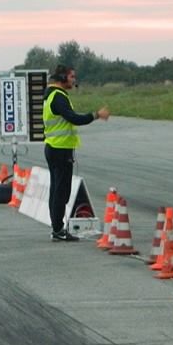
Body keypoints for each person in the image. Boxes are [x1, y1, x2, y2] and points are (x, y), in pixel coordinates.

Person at [43, 64, 109, 241]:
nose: (74, 80)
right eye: (72, 77)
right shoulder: (58, 97)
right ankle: (57, 230)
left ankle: (56, 228)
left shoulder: (51, 94)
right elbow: (74, 118)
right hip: (60, 149)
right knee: (61, 192)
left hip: (54, 147)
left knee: (57, 190)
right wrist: (96, 115)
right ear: (63, 78)